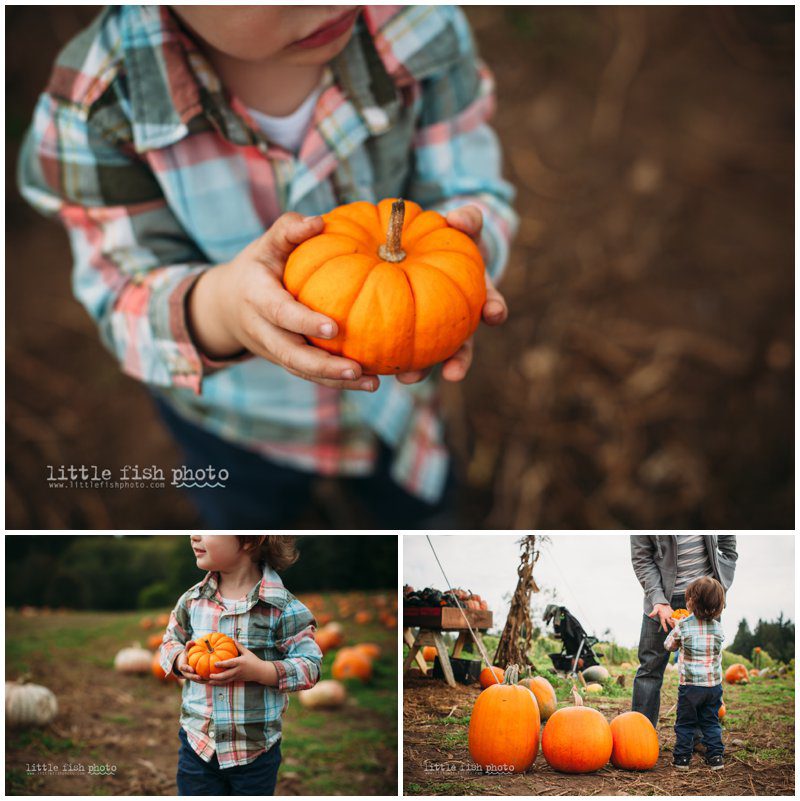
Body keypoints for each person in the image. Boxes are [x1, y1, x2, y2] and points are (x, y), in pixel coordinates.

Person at [17, 6, 518, 528]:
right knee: (248, 524)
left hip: (398, 406)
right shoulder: (96, 107)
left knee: (415, 517)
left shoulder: (419, 27)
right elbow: (122, 294)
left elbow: (470, 185)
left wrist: (460, 270)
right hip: (236, 424)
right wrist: (225, 312)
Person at [160, 535, 321, 795]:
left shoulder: (283, 608)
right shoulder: (192, 600)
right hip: (198, 745)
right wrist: (180, 660)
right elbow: (170, 641)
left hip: (254, 754)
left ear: (249, 540)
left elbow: (310, 665)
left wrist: (261, 671)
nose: (194, 535)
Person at [629, 535, 737, 728]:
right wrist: (658, 599)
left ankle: (699, 737)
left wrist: (722, 582)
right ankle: (639, 734)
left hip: (706, 599)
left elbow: (728, 543)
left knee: (704, 670)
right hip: (662, 599)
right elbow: (641, 557)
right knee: (649, 668)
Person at [664, 576, 726, 771]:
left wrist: (676, 627)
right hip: (713, 687)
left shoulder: (683, 626)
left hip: (690, 687)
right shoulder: (718, 629)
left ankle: (682, 758)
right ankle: (716, 757)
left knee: (685, 722)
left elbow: (669, 646)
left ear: (691, 602)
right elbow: (717, 656)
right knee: (710, 721)